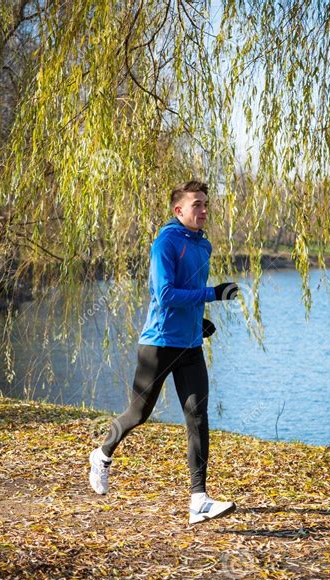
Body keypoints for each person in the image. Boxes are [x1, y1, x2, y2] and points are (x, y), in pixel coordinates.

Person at [89, 179, 240, 525]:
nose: (203, 211)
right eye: (196, 205)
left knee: (198, 417)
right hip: (157, 344)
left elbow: (187, 292)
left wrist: (197, 322)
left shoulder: (203, 246)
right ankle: (102, 453)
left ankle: (198, 500)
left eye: (205, 204)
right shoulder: (166, 243)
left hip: (189, 345)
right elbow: (166, 295)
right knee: (138, 413)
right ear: (178, 210)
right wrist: (213, 294)